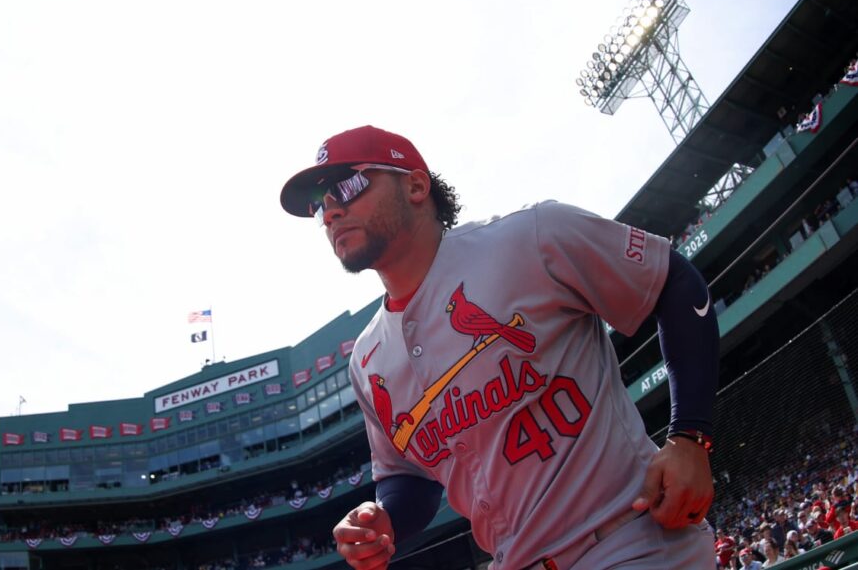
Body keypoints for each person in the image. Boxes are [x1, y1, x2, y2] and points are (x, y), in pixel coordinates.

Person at [279, 126, 719, 569]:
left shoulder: (531, 236)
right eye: (320, 205)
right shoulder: (367, 359)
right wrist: (384, 517)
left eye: (347, 186)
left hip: (629, 538)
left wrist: (690, 436)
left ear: (415, 186)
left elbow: (672, 282)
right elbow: (408, 477)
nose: (331, 212)